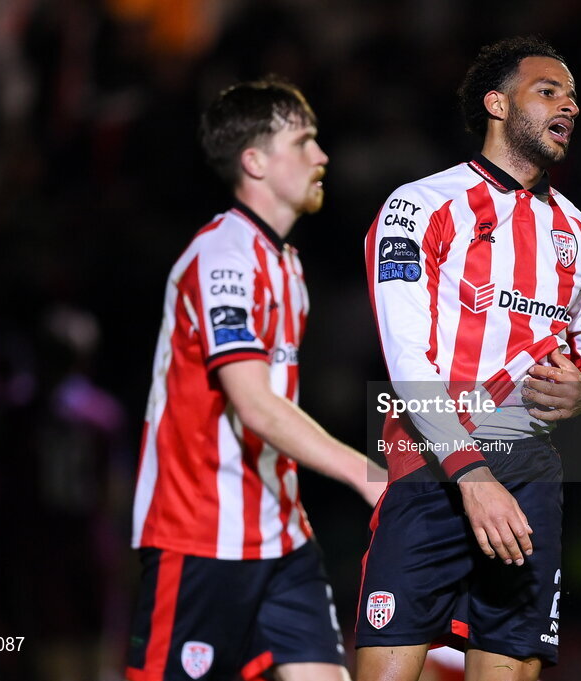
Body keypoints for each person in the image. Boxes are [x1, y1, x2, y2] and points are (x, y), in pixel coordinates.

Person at [356, 36, 581, 681]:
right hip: (428, 466)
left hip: (529, 474)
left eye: (572, 96)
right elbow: (406, 359)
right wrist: (471, 475)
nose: (568, 105)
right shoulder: (420, 206)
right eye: (548, 91)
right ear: (496, 103)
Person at [126, 78, 385, 681]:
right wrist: (367, 474)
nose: (322, 157)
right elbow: (254, 405)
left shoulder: (287, 264)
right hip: (200, 538)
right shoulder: (223, 258)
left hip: (282, 538)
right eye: (305, 142)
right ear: (255, 161)